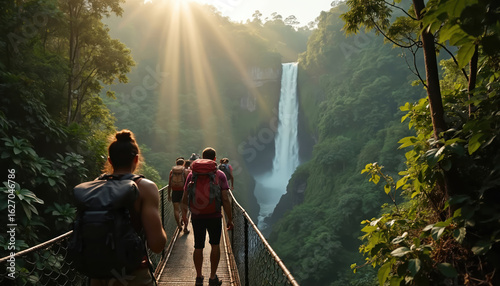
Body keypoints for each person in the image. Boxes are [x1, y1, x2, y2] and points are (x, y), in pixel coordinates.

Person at [92, 129, 167, 286]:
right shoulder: (145, 188)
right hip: (133, 275)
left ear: (110, 161)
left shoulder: (94, 186)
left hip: (98, 273)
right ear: (136, 159)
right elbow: (157, 245)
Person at [181, 147, 234, 286]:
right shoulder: (220, 174)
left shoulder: (192, 175)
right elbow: (226, 199)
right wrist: (230, 218)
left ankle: (198, 277)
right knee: (215, 245)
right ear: (215, 159)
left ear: (202, 157)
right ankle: (212, 278)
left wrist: (184, 216)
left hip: (197, 216)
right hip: (215, 215)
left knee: (198, 246)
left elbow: (185, 196)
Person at [168, 157, 189, 234]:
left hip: (174, 192)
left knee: (176, 210)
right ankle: (185, 228)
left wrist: (169, 194)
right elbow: (187, 183)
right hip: (183, 192)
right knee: (184, 210)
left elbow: (169, 184)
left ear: (176, 163)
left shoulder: (172, 172)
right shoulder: (185, 171)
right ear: (183, 163)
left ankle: (179, 226)